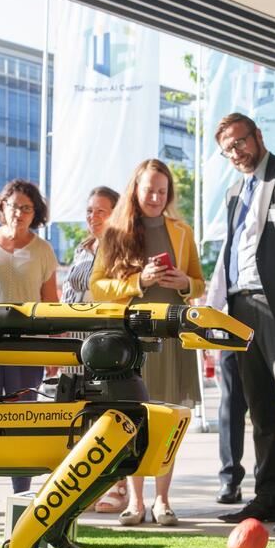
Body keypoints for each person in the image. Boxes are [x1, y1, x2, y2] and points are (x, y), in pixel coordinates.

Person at [205, 112, 275, 534]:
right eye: (228, 149)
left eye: (240, 142)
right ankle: (269, 495)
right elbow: (230, 250)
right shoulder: (234, 191)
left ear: (258, 135)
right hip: (240, 306)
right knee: (260, 408)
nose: (236, 153)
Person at [91, 158, 203, 527]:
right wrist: (139, 281)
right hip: (133, 336)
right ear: (135, 191)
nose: (155, 197)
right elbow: (98, 287)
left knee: (168, 417)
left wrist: (182, 283)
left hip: (173, 333)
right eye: (149, 190)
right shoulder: (114, 232)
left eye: (162, 190)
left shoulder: (182, 231)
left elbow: (198, 284)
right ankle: (135, 501)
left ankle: (163, 500)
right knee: (136, 415)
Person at [0, 179, 59, 516]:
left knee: (23, 418)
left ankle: (22, 491)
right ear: (2, 206)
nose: (18, 213)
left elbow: (51, 303)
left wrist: (53, 351)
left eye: (26, 208)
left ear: (36, 213)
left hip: (26, 347)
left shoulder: (43, 250)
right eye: (13, 205)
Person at [58, 186, 128, 515]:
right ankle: (83, 482)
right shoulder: (83, 247)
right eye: (89, 211)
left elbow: (93, 282)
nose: (93, 217)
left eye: (101, 211)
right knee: (80, 410)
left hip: (106, 337)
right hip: (75, 335)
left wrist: (80, 278)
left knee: (109, 410)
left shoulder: (124, 246)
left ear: (116, 213)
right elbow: (72, 289)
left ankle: (117, 484)